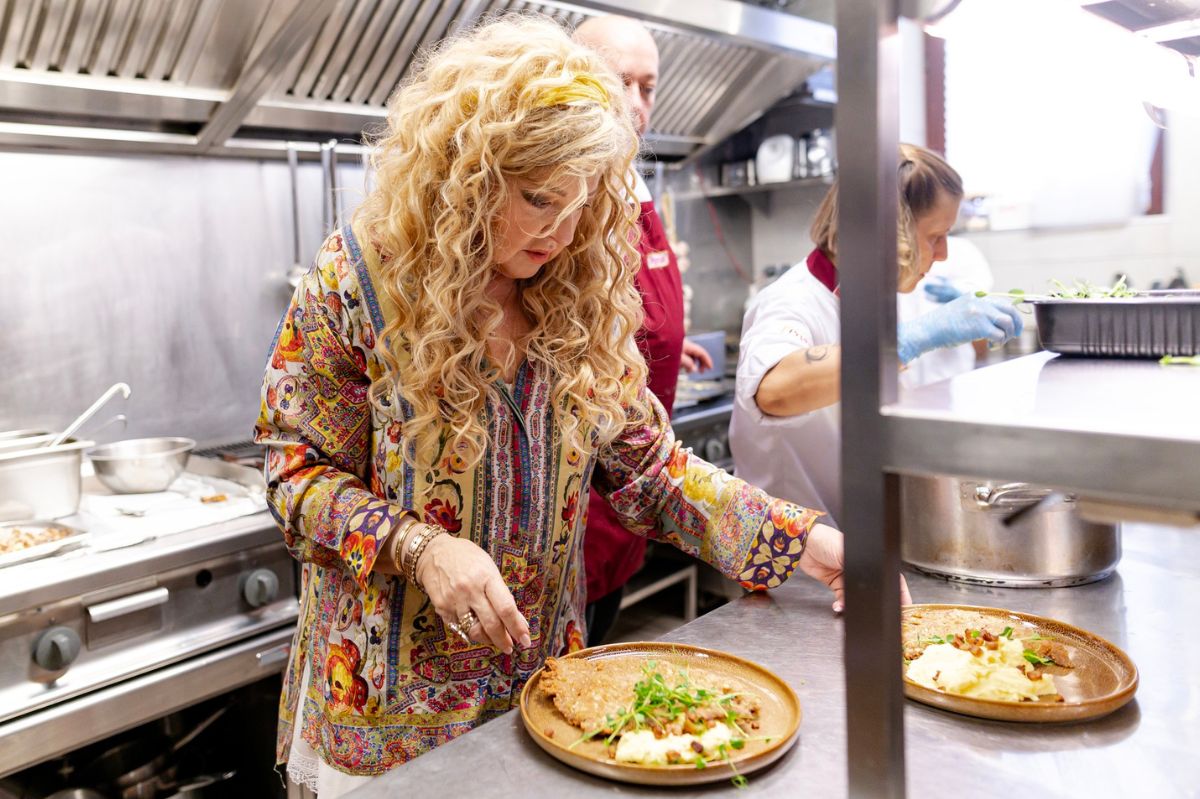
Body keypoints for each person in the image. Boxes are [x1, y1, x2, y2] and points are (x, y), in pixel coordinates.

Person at [255, 16, 904, 796]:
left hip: (545, 695)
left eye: (581, 202)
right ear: (468, 174)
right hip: (387, 718)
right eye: (537, 199)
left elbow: (654, 475)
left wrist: (811, 541)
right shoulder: (357, 279)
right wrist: (420, 548)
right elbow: (295, 474)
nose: (561, 233)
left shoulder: (576, 294)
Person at [729, 144, 1023, 528]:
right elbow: (773, 390)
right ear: (885, 233)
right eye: (936, 235)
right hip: (789, 561)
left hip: (857, 539)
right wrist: (909, 341)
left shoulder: (882, 296)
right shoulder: (791, 301)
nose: (944, 254)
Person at [572, 15, 713, 646]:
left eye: (647, 87)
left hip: (634, 479)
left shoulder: (633, 183)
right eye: (618, 82)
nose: (635, 105)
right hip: (582, 500)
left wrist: (664, 347)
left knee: (604, 630)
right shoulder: (567, 198)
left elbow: (617, 319)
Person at [897, 234, 997, 388]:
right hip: (901, 384)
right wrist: (906, 342)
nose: (942, 254)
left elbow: (983, 340)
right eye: (934, 237)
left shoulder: (963, 252)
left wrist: (966, 303)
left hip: (953, 382)